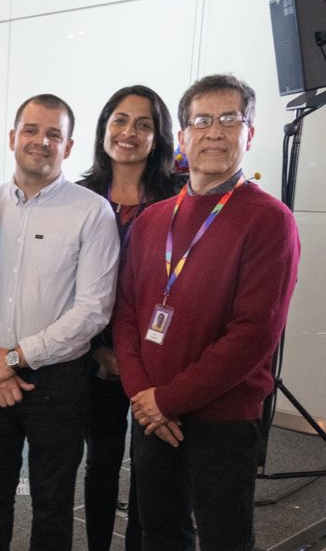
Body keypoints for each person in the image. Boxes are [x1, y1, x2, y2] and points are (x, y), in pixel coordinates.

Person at [114, 74, 300, 551]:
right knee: (161, 534)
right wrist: (143, 397)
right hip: (152, 411)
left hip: (222, 416)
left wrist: (167, 400)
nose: (214, 131)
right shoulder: (154, 219)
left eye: (229, 119)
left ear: (250, 133)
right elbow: (128, 313)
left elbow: (254, 334)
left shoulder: (269, 220)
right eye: (201, 120)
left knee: (224, 539)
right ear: (183, 137)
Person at [0, 94, 119, 550]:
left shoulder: (92, 212)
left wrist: (14, 358)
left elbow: (93, 308)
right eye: (31, 130)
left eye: (54, 134)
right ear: (13, 138)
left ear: (69, 146)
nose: (41, 141)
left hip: (58, 384)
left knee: (52, 504)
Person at [77, 85, 184, 551]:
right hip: (94, 356)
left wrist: (137, 358)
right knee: (100, 460)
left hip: (156, 360)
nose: (129, 132)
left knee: (151, 465)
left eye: (143, 124)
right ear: (104, 129)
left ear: (158, 136)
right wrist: (101, 351)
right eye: (119, 120)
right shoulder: (78, 196)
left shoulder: (180, 198)